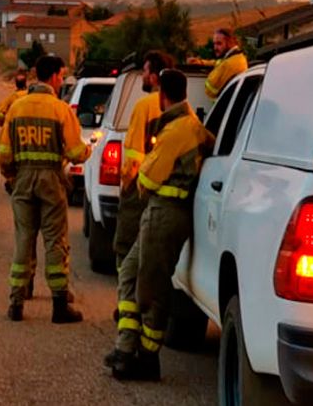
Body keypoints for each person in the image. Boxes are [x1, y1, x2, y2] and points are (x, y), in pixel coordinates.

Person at [107, 69, 215, 381]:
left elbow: (148, 177)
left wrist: (137, 177)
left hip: (163, 213)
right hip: (165, 213)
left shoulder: (176, 131)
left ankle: (145, 357)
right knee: (131, 272)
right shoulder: (193, 125)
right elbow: (209, 144)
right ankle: (126, 348)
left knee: (152, 287)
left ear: (161, 95)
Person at [0, 56, 90, 323]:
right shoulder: (61, 110)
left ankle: (16, 303)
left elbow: (4, 154)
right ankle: (59, 305)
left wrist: (12, 177)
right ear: (52, 77)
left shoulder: (17, 108)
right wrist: (88, 150)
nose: (62, 81)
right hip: (51, 182)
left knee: (23, 240)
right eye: (61, 76)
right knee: (55, 241)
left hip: (23, 181)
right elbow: (75, 152)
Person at [113, 51, 175, 272]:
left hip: (140, 188)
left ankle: (126, 301)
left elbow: (134, 155)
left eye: (145, 72)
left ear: (155, 77)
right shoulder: (180, 107)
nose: (142, 76)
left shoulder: (144, 106)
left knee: (126, 246)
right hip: (168, 191)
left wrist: (127, 185)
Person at [199, 28, 248, 99]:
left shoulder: (228, 64)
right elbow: (219, 62)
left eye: (219, 43)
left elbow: (209, 90)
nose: (215, 48)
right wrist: (202, 62)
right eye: (214, 44)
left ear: (229, 42)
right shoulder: (238, 57)